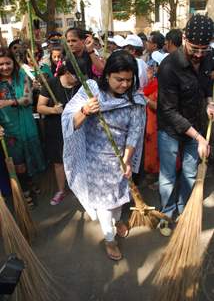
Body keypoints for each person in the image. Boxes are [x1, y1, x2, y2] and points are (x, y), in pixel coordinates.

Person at [62, 50, 146, 261]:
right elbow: (70, 122)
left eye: (129, 80)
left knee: (117, 200)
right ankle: (109, 239)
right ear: (107, 75)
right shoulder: (91, 92)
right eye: (119, 79)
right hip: (94, 162)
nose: (125, 85)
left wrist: (127, 160)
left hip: (119, 160)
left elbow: (134, 133)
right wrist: (84, 110)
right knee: (105, 206)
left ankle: (117, 221)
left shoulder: (135, 99)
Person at [157, 14, 214, 236]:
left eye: (204, 49)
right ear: (183, 38)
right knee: (168, 175)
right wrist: (200, 138)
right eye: (194, 48)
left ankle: (184, 210)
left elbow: (207, 87)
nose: (199, 54)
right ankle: (167, 212)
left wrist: (209, 102)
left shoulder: (209, 58)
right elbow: (169, 111)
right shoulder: (169, 66)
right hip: (170, 130)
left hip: (198, 124)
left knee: (190, 173)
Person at [0, 47, 45, 207]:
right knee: (18, 162)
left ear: (13, 62)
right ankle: (25, 191)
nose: (5, 67)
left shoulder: (22, 76)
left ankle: (31, 182)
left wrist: (9, 102)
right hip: (8, 129)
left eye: (8, 63)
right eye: (1, 64)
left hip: (27, 125)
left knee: (30, 157)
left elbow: (27, 99)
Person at [37, 64, 77, 205]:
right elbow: (40, 107)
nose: (78, 79)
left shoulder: (79, 86)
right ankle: (61, 190)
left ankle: (78, 188)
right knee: (58, 161)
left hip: (75, 127)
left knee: (75, 158)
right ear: (66, 72)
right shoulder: (52, 84)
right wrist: (54, 110)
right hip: (55, 128)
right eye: (75, 75)